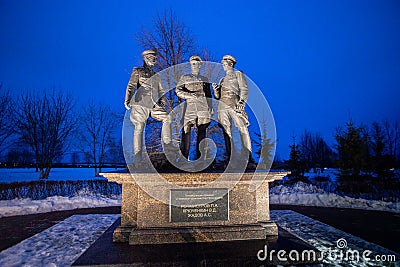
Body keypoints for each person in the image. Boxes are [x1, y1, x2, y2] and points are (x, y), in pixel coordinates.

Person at [124, 49, 171, 166]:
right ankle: (138, 158)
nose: (154, 59)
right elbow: (131, 85)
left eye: (155, 57)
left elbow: (161, 91)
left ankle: (169, 152)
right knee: (139, 127)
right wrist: (127, 100)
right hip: (141, 102)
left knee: (168, 119)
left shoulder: (156, 75)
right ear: (145, 58)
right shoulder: (138, 71)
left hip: (154, 104)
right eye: (151, 57)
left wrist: (165, 102)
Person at [212, 55, 254, 166]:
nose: (223, 66)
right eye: (223, 65)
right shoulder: (222, 79)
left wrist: (241, 102)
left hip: (234, 104)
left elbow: (244, 89)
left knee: (242, 129)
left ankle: (248, 157)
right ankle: (230, 158)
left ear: (230, 64)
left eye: (225, 64)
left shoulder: (238, 74)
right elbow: (217, 97)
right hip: (222, 106)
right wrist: (216, 91)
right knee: (227, 132)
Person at [176, 56, 213, 160]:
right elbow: (178, 91)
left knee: (202, 131)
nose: (195, 65)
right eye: (193, 64)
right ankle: (184, 157)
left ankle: (200, 158)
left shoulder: (204, 79)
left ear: (200, 65)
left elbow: (209, 94)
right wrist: (190, 95)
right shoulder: (185, 77)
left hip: (203, 107)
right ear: (190, 65)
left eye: (197, 64)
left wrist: (211, 107)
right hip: (190, 107)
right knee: (186, 129)